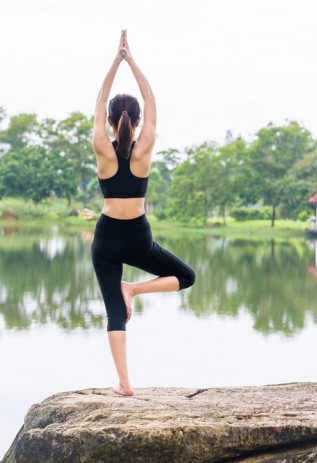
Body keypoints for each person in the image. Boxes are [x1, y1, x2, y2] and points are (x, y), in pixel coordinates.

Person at [91, 30, 195, 396]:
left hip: (106, 238)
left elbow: (100, 98)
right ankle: (133, 288)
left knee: (114, 314)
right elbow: (151, 98)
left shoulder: (100, 145)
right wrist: (130, 60)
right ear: (136, 123)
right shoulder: (144, 147)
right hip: (138, 237)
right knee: (186, 277)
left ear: (109, 121)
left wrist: (114, 61)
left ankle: (125, 384)